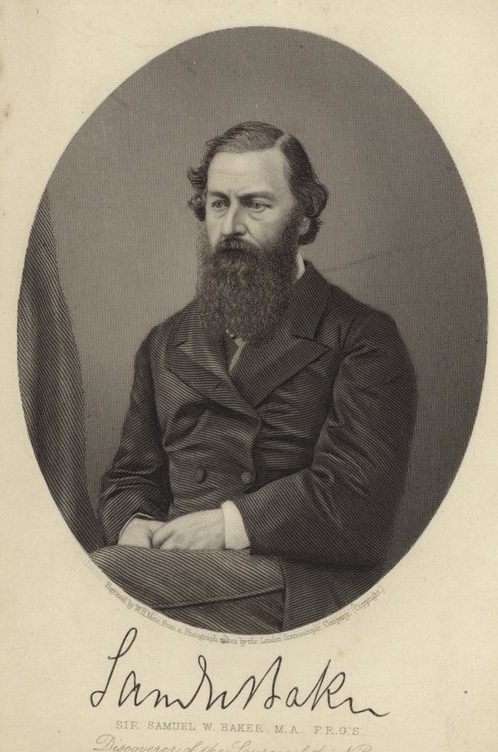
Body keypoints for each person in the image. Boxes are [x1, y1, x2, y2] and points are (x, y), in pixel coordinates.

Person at [92, 121, 416, 634]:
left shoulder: (361, 336)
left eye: (256, 205)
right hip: (173, 570)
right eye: (218, 204)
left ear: (303, 216)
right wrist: (135, 527)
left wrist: (226, 526)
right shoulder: (165, 341)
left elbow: (358, 502)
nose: (231, 226)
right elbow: (132, 476)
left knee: (98, 584)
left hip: (300, 583)